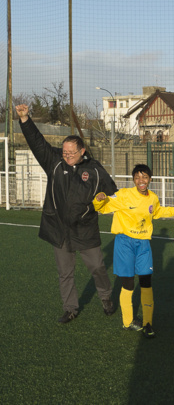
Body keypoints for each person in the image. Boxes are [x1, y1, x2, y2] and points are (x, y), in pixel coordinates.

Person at [16, 104, 117, 323]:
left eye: (71, 152)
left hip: (85, 229)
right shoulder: (54, 162)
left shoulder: (96, 170)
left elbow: (114, 195)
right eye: (64, 152)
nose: (67, 155)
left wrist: (104, 200)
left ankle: (106, 297)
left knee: (98, 268)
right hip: (60, 229)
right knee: (65, 273)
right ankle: (70, 308)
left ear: (82, 151)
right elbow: (37, 143)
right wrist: (25, 119)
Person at [93, 164, 174, 338]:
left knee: (146, 282)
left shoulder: (153, 198)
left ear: (150, 179)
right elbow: (102, 207)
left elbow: (158, 211)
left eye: (144, 177)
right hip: (124, 243)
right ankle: (128, 322)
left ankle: (148, 323)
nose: (141, 181)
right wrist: (100, 198)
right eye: (137, 177)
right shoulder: (125, 195)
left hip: (143, 244)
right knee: (128, 283)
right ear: (133, 180)